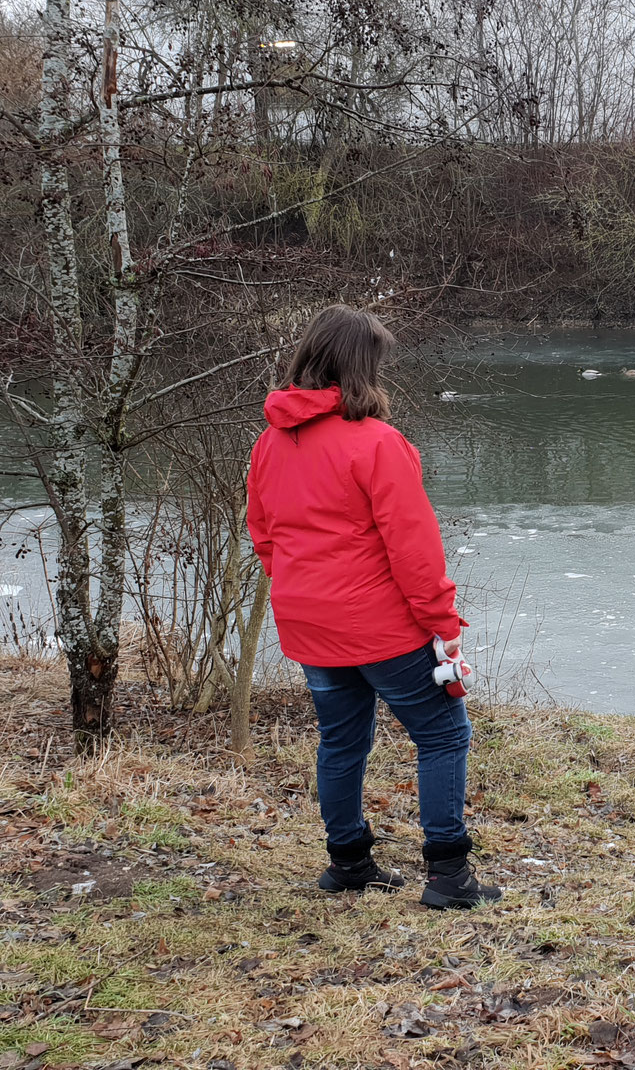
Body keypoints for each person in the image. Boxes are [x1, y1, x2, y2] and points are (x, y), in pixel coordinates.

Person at [246, 304, 500, 909]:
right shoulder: (378, 444)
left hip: (308, 623)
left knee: (340, 740)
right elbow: (415, 552)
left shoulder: (269, 443)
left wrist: (304, 593)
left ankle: (349, 863)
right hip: (379, 627)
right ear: (364, 368)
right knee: (442, 734)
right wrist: (444, 626)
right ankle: (447, 875)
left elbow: (264, 536)